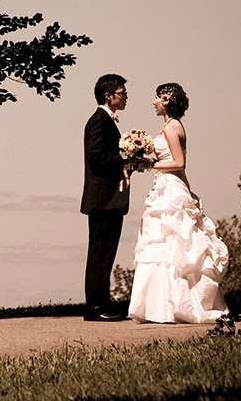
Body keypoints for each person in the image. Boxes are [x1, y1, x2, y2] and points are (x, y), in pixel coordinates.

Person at [127, 83, 229, 323]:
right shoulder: (169, 125)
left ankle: (176, 306)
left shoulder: (172, 127)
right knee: (165, 244)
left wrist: (149, 165)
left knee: (174, 243)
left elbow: (179, 162)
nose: (153, 102)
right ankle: (161, 305)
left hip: (172, 188)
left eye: (157, 98)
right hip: (167, 185)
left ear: (167, 100)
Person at [80, 73, 133, 322]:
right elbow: (97, 158)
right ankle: (94, 307)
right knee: (99, 252)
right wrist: (125, 159)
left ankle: (103, 302)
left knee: (107, 252)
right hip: (102, 198)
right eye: (122, 93)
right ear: (108, 95)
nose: (126, 97)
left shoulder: (108, 121)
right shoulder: (98, 121)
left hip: (111, 198)